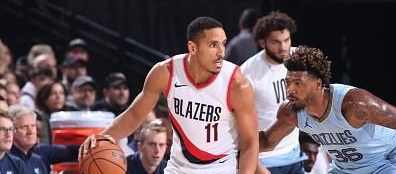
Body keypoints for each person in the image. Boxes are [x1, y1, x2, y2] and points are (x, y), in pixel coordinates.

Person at [80, 16, 259, 174]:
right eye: (213, 45)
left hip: (220, 168)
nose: (221, 52)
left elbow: (250, 142)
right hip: (178, 168)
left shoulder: (237, 84)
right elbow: (135, 114)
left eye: (223, 43)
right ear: (193, 48)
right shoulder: (166, 72)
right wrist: (103, 136)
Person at [259, 45, 396, 174]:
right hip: (344, 169)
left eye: (298, 83)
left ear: (318, 84)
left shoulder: (354, 104)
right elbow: (267, 141)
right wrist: (238, 144)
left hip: (384, 162)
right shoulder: (290, 112)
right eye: (287, 82)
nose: (289, 91)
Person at [241, 11, 305, 174]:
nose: (283, 47)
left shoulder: (300, 58)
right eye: (276, 42)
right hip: (265, 161)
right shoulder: (247, 74)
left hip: (295, 153)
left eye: (286, 40)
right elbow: (236, 126)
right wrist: (255, 166)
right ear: (262, 42)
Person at [8, 104, 78, 174]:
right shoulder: (5, 160)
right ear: (11, 130)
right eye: (24, 127)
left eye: (33, 126)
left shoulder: (39, 158)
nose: (30, 132)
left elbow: (69, 151)